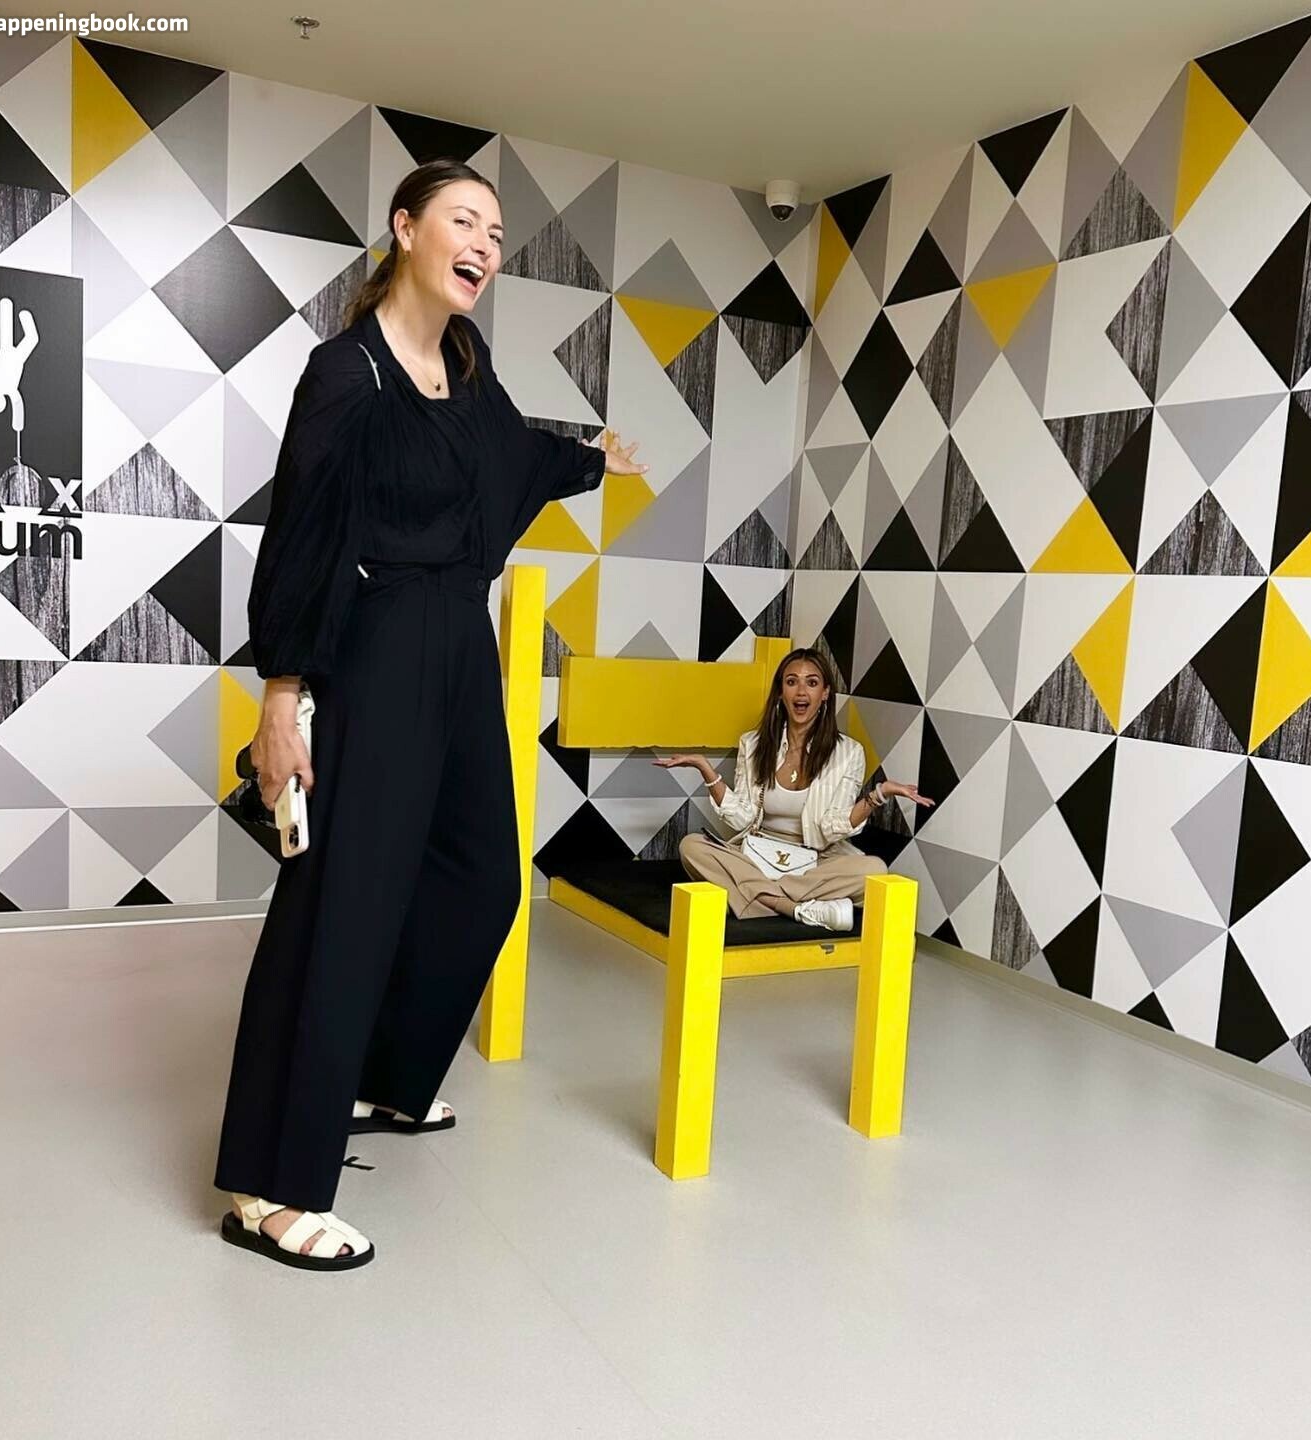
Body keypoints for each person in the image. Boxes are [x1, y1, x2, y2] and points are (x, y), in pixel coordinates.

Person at [214, 160, 647, 1272]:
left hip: (462, 643)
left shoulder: (466, 363)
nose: (486, 244)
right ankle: (269, 1188)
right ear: (405, 230)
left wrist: (591, 462)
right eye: (465, 221)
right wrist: (281, 700)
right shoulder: (346, 373)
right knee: (343, 906)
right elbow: (301, 537)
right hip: (380, 645)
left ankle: (381, 1080)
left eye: (497, 231)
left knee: (482, 879)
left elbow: (511, 454)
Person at [656, 649, 931, 932]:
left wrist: (877, 796)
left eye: (812, 683)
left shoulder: (848, 753)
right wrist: (707, 771)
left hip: (816, 860)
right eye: (791, 682)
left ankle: (752, 896)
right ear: (780, 692)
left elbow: (832, 828)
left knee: (874, 870)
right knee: (691, 847)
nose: (801, 691)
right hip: (756, 854)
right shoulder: (753, 744)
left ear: (825, 693)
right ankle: (796, 908)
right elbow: (742, 818)